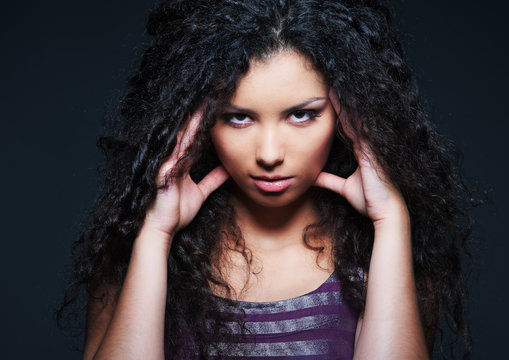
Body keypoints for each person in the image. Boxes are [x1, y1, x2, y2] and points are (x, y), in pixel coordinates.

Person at [57, 0, 480, 359]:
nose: (270, 154)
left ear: (347, 114)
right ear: (200, 123)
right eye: (238, 117)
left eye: (302, 114)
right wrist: (155, 232)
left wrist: (391, 221)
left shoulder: (381, 253)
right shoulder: (133, 254)